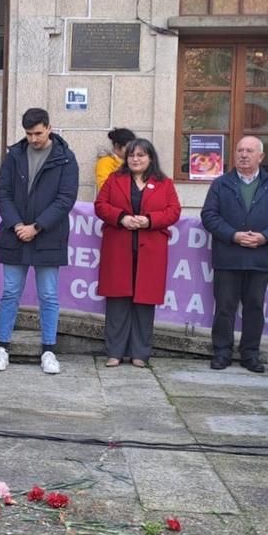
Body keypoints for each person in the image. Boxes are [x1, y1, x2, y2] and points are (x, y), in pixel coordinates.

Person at [0, 107, 79, 375]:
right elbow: (2, 193)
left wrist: (37, 227)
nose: (33, 139)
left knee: (49, 296)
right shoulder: (14, 155)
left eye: (38, 133)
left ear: (49, 128)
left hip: (48, 237)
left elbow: (66, 199)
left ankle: (48, 350)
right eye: (28, 134)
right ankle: (2, 347)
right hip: (16, 235)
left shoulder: (65, 158)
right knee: (9, 294)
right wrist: (18, 224)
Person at [200, 136, 268, 373]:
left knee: (254, 307)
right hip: (228, 255)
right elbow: (209, 215)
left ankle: (250, 354)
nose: (243, 155)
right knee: (224, 307)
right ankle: (222, 352)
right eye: (240, 150)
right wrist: (233, 235)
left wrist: (265, 237)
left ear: (260, 157)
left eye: (249, 151)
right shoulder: (221, 184)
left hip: (259, 256)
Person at [94, 138, 181, 367]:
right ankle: (114, 352)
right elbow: (100, 205)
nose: (135, 159)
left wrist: (149, 220)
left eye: (141, 155)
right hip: (118, 249)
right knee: (117, 302)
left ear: (150, 158)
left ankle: (140, 354)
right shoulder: (115, 180)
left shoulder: (165, 183)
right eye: (132, 155)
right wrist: (121, 217)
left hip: (150, 252)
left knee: (144, 303)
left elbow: (174, 212)